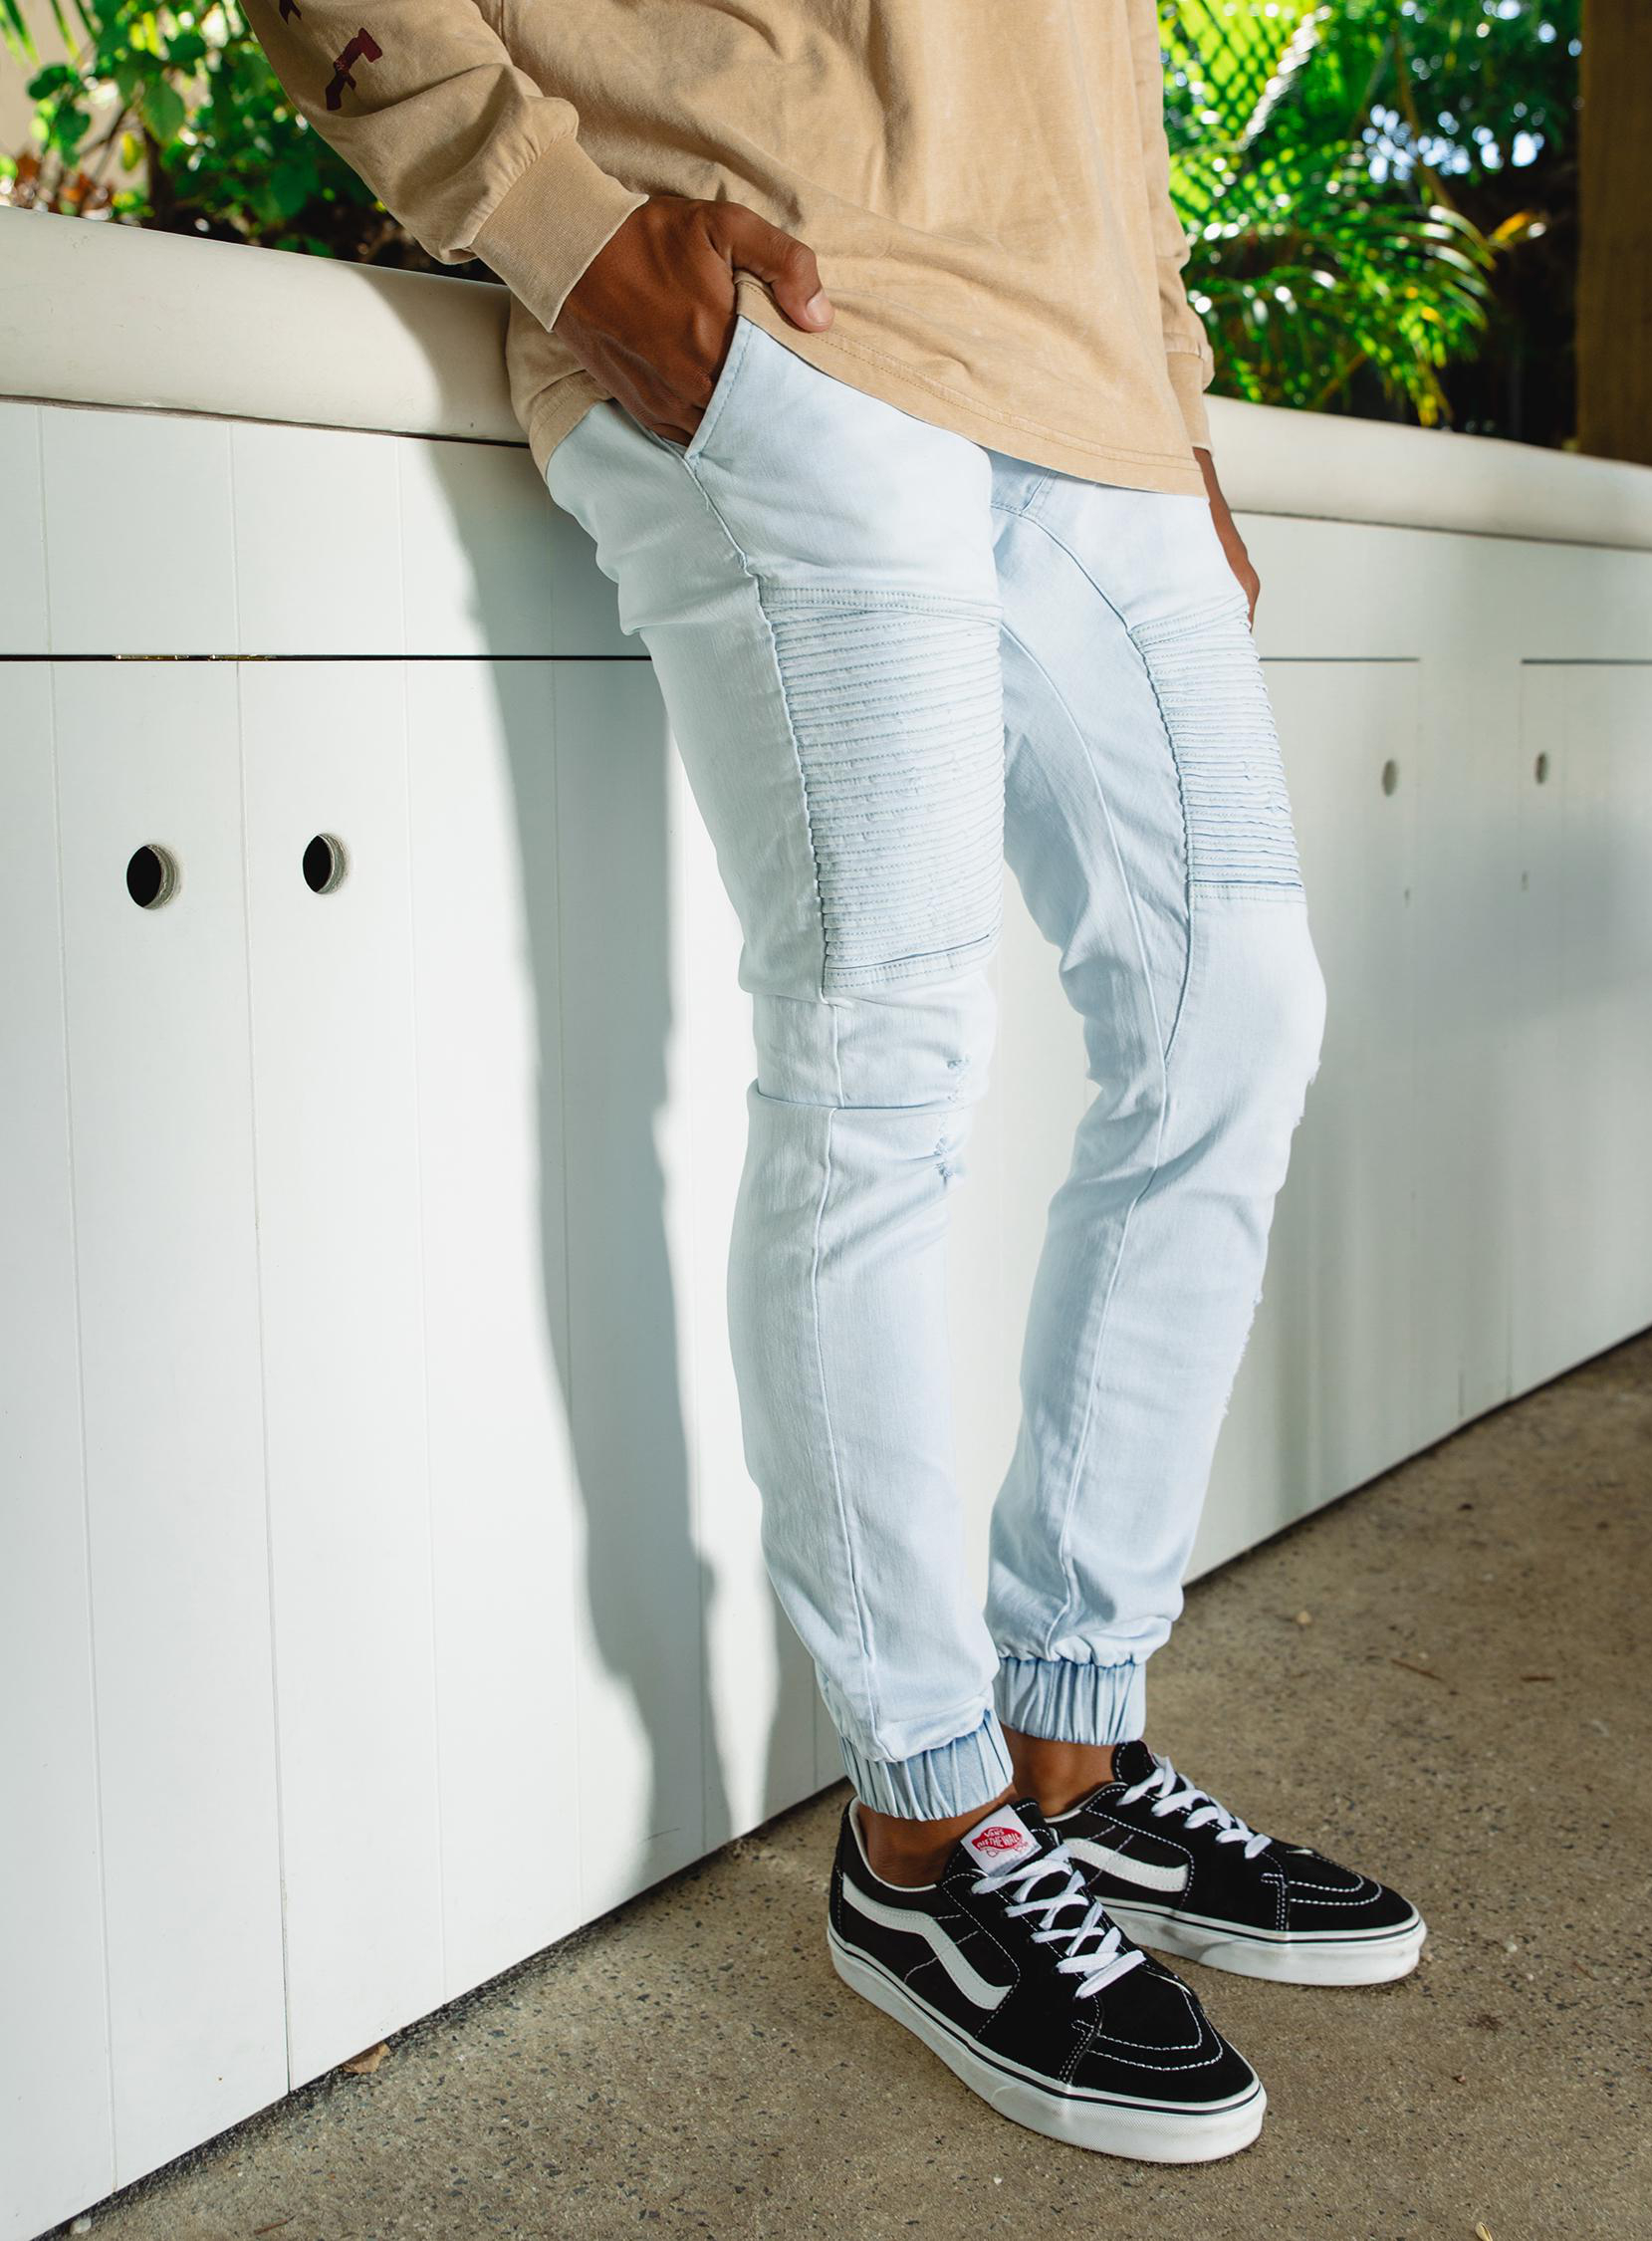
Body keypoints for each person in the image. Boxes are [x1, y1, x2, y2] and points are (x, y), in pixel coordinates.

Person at [244, 0, 1426, 2163]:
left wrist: (1175, 405)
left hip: (1089, 381)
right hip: (782, 310)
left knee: (1236, 1012)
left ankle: (1072, 1740)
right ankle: (926, 1827)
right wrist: (557, 222)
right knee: (884, 1053)